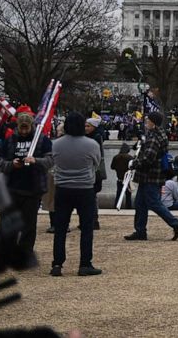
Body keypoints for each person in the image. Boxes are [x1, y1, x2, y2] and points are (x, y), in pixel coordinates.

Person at [50, 111, 102, 276]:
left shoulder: (56, 144)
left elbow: (53, 163)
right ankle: (85, 263)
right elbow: (96, 162)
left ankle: (57, 263)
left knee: (60, 228)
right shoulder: (91, 144)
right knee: (87, 228)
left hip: (63, 188)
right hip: (85, 188)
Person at [0, 110, 53, 255]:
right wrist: (11, 164)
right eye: (22, 127)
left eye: (27, 127)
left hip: (33, 188)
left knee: (29, 225)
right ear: (17, 126)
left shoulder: (42, 140)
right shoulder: (9, 140)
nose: (24, 131)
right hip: (10, 187)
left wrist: (36, 161)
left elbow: (50, 161)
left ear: (32, 126)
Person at [124, 111, 178, 241]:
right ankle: (140, 231)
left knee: (153, 203)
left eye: (148, 120)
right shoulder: (159, 134)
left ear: (153, 122)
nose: (146, 122)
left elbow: (148, 158)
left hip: (149, 175)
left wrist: (134, 163)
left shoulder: (153, 137)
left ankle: (176, 223)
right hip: (153, 175)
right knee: (140, 203)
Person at [84, 117, 106, 230]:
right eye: (85, 126)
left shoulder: (96, 138)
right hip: (92, 170)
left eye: (88, 126)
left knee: (92, 197)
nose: (86, 128)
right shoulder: (94, 137)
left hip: (94, 171)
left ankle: (93, 220)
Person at [110, 143, 133, 210]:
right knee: (128, 195)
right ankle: (128, 207)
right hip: (127, 179)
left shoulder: (116, 157)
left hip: (119, 179)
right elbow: (133, 167)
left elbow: (112, 167)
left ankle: (116, 206)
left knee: (118, 194)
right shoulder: (130, 157)